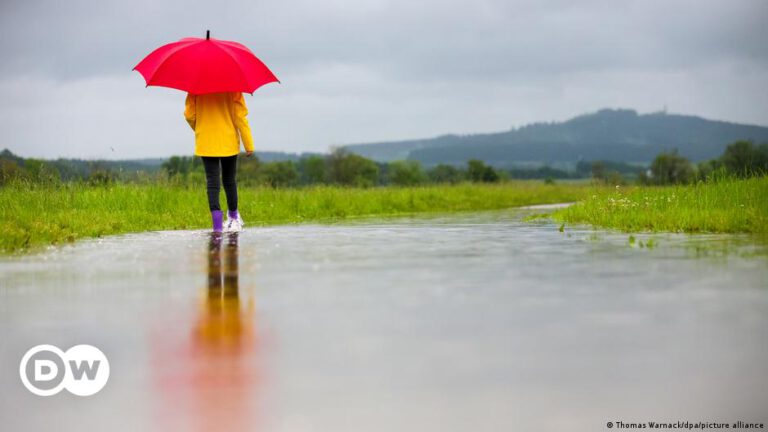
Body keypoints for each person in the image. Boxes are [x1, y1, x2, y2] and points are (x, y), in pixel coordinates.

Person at [184, 92, 254, 232]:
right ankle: (234, 219)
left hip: (206, 141)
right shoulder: (234, 88)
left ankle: (217, 226)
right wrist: (248, 143)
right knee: (229, 180)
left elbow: (189, 115)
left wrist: (200, 128)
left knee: (212, 182)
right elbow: (240, 116)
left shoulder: (195, 89)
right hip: (228, 140)